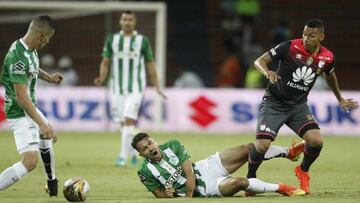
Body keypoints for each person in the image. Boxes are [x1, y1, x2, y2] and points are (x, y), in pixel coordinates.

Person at [247, 18, 359, 194]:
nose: (306, 38)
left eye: (311, 35)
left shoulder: (328, 57)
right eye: (304, 34)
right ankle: (251, 180)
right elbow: (259, 61)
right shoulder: (289, 47)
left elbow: (330, 76)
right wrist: (267, 71)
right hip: (274, 103)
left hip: (298, 106)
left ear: (321, 37)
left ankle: (303, 171)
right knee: (261, 146)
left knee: (316, 141)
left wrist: (340, 98)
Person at [0, 15, 63, 197]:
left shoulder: (29, 49)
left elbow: (33, 68)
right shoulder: (17, 57)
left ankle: (52, 180)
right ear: (41, 36)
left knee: (47, 138)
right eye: (48, 38)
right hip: (20, 112)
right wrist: (41, 124)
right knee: (29, 162)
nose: (48, 42)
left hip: (29, 107)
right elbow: (21, 96)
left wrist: (49, 78)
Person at [132, 132, 306, 198]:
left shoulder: (172, 145)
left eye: (150, 143)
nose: (150, 148)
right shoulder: (145, 172)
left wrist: (188, 197)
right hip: (206, 188)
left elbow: (189, 171)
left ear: (155, 141)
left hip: (205, 168)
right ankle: (281, 188)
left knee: (249, 148)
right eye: (145, 149)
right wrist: (169, 194)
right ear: (141, 155)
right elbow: (158, 194)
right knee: (240, 183)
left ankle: (288, 153)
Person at [94, 11, 166, 167]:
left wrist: (157, 85)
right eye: (124, 19)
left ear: (134, 22)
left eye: (130, 19)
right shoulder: (112, 40)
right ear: (120, 21)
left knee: (128, 120)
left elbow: (150, 64)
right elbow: (105, 62)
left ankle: (122, 156)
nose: (127, 22)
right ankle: (134, 151)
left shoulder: (142, 41)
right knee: (123, 123)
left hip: (136, 87)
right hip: (117, 88)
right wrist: (102, 76)